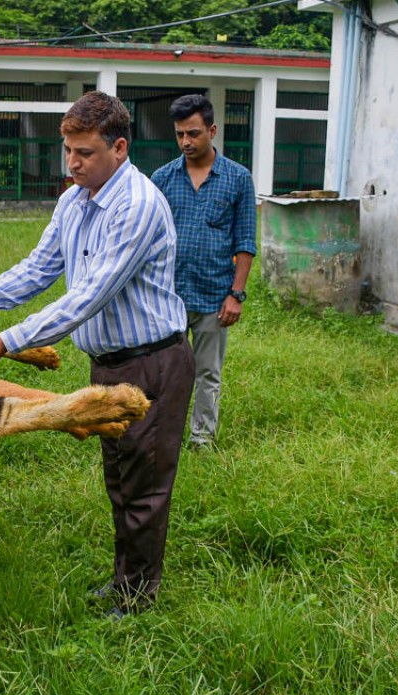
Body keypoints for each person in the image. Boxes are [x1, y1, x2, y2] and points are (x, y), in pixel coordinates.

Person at [0, 91, 195, 618]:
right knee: (119, 478)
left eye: (85, 152)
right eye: (67, 150)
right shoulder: (75, 200)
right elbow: (38, 268)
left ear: (119, 148)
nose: (72, 163)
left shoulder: (136, 205)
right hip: (110, 362)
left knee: (144, 484)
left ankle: (138, 599)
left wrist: (7, 341)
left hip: (153, 362)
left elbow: (88, 295)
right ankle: (125, 581)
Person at [150, 94, 256, 451]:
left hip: (214, 297)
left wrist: (236, 294)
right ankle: (165, 436)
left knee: (208, 373)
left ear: (212, 130)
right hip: (169, 298)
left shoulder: (238, 179)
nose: (185, 142)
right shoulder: (162, 178)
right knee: (167, 374)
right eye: (180, 134)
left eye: (193, 133)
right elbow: (147, 238)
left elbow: (245, 241)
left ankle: (201, 438)